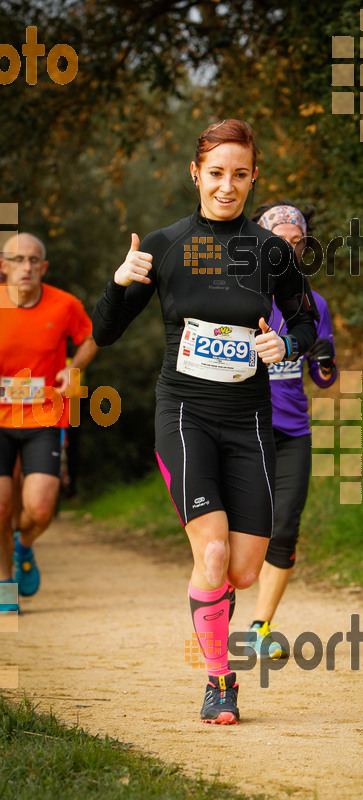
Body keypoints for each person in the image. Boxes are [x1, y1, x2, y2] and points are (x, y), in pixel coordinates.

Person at [92, 120, 318, 724]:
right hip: (185, 414)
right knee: (214, 551)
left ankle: (215, 619)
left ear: (252, 178)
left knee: (243, 570)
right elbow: (105, 333)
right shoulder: (165, 246)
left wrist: (286, 347)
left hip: (250, 421)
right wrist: (118, 284)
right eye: (216, 173)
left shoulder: (270, 252)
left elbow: (304, 322)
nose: (227, 185)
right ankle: (220, 680)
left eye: (239, 174)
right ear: (196, 174)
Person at [245, 202, 337, 658]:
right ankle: (213, 608)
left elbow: (324, 378)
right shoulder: (235, 293)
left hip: (294, 431)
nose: (290, 249)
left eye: (298, 243)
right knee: (236, 531)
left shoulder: (313, 304)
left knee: (284, 530)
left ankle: (260, 627)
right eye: (281, 241)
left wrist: (323, 360)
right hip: (243, 426)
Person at [0, 233, 97, 612]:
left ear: (44, 267)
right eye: (17, 259)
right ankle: (5, 583)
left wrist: (73, 369)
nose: (26, 267)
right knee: (1, 506)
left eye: (33, 260)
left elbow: (93, 337)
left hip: (44, 414)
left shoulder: (64, 304)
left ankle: (24, 546)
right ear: (4, 265)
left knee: (39, 508)